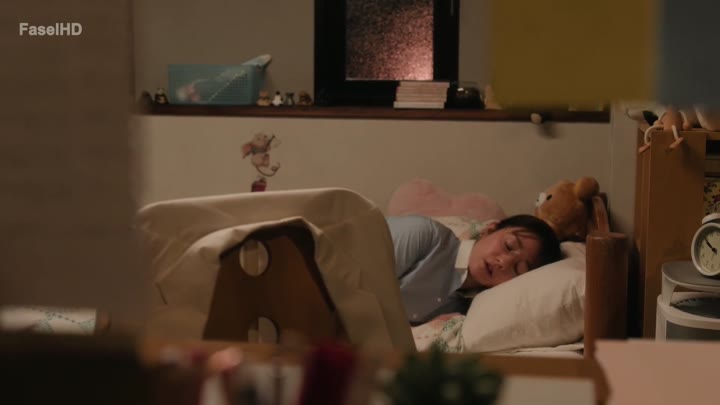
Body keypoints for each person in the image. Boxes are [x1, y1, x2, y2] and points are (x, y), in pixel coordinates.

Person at [386, 214, 562, 325]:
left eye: (518, 268)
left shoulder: (466, 309)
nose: (503, 262)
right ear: (489, 230)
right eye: (509, 246)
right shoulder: (425, 235)